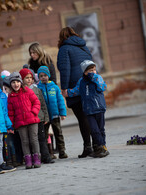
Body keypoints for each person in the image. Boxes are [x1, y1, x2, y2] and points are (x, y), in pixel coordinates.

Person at [57, 27, 95, 158]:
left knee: (82, 117)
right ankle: (97, 145)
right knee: (90, 115)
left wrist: (65, 88)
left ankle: (88, 147)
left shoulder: (64, 49)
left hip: (75, 86)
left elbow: (64, 69)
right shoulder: (84, 47)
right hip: (89, 84)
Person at [64, 60, 109, 158]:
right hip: (88, 110)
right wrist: (67, 92)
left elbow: (103, 87)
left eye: (94, 70)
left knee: (100, 129)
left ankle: (103, 148)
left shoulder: (98, 78)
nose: (93, 72)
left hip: (99, 108)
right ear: (84, 72)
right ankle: (100, 148)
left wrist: (95, 78)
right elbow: (77, 90)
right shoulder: (82, 81)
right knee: (93, 130)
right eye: (90, 71)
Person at [19, 68, 55, 164]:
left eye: (31, 77)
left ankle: (46, 157)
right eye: (26, 78)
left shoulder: (37, 89)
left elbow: (43, 104)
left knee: (42, 138)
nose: (29, 80)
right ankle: (33, 158)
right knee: (31, 140)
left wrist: (46, 117)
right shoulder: (20, 91)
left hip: (39, 119)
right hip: (29, 120)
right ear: (21, 79)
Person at [7, 72, 41, 169]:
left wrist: (33, 112)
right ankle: (28, 160)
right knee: (24, 141)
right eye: (13, 82)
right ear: (11, 84)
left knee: (34, 140)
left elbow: (36, 102)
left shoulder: (28, 91)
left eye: (17, 82)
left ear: (21, 82)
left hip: (32, 120)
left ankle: (37, 158)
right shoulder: (11, 96)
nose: (16, 84)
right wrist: (11, 125)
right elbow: (11, 112)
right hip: (20, 123)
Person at [37, 66, 68, 159]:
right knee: (45, 135)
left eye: (45, 75)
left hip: (55, 114)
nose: (43, 77)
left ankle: (62, 151)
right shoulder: (38, 88)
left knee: (58, 133)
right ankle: (49, 153)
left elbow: (60, 100)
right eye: (41, 76)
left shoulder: (54, 87)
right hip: (45, 117)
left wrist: (62, 113)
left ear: (49, 75)